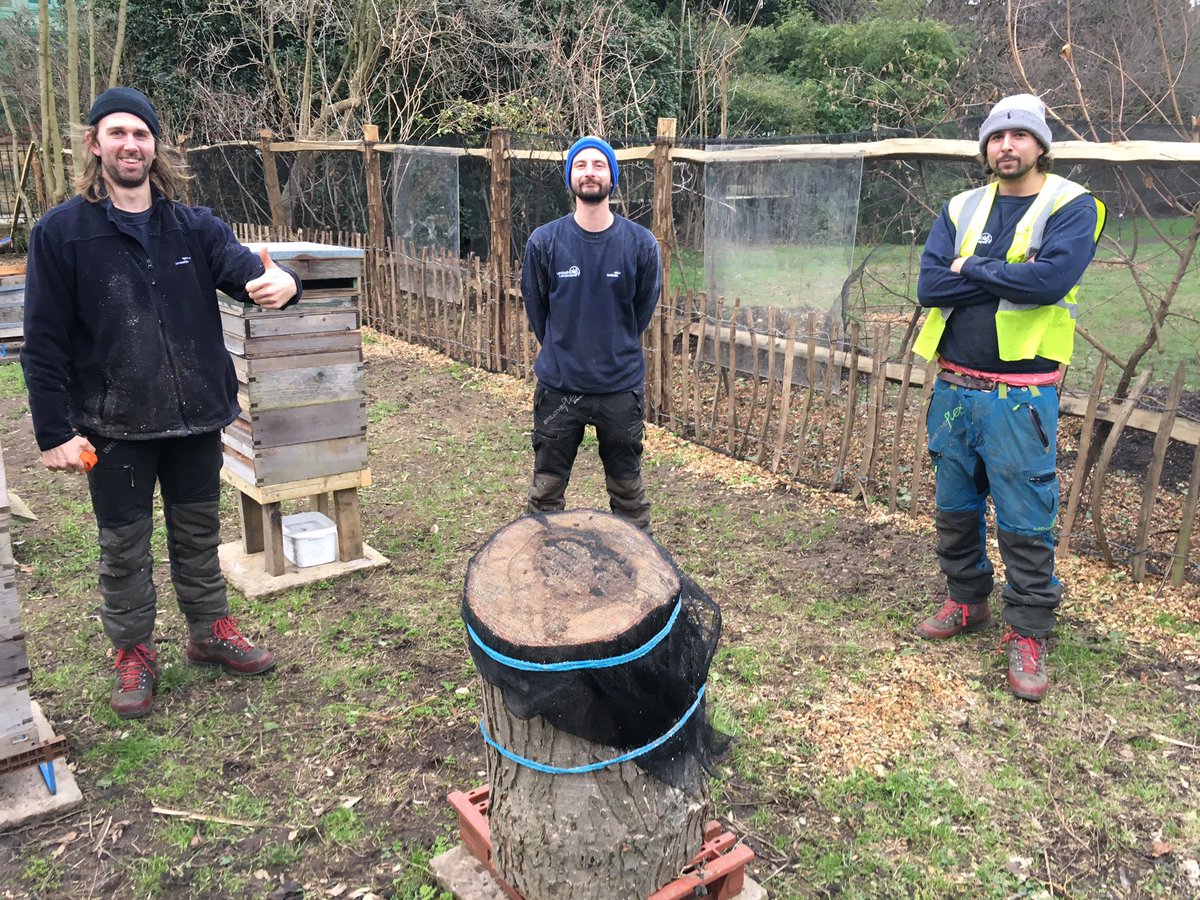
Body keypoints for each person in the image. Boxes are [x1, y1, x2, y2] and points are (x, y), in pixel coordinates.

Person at [21, 87, 302, 719]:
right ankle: (134, 650)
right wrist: (52, 432)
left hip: (196, 415)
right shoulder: (62, 233)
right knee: (124, 544)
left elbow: (245, 271)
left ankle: (208, 631)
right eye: (117, 133)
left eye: (140, 134)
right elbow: (41, 342)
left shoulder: (192, 225)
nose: (130, 145)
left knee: (197, 532)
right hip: (112, 422)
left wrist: (285, 280)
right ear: (95, 144)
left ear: (155, 146)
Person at [912, 93, 1106, 702]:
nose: (1007, 146)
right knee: (954, 507)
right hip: (954, 386)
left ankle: (1029, 631)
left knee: (1025, 520)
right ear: (985, 148)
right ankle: (968, 600)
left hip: (1020, 396)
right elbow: (927, 284)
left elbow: (1051, 280)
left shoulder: (1072, 205)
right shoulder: (962, 205)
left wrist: (969, 269)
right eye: (997, 137)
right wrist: (999, 273)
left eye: (1020, 136)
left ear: (1040, 145)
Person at [521, 136, 662, 531]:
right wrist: (564, 350)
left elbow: (640, 312)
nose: (589, 172)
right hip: (560, 390)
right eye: (580, 165)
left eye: (599, 165)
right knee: (546, 493)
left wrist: (612, 346)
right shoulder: (544, 243)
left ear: (612, 176)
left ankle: (639, 573)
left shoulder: (640, 244)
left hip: (620, 390)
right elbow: (538, 312)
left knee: (628, 495)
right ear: (570, 177)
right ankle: (541, 569)